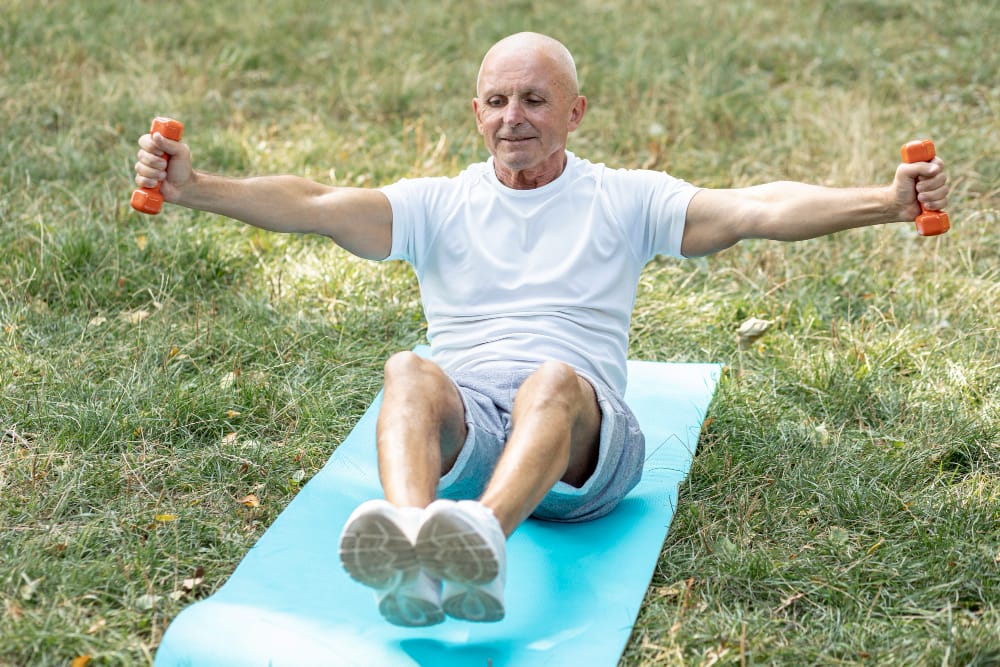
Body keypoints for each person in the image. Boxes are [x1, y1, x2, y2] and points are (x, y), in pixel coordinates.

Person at [133, 32, 949, 627]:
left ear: (575, 111)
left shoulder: (624, 198)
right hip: (475, 434)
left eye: (533, 100)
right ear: (476, 112)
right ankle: (418, 546)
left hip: (583, 444)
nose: (513, 117)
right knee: (407, 369)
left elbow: (754, 209)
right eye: (497, 101)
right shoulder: (439, 202)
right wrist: (197, 186)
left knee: (552, 379)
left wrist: (884, 201)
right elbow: (312, 204)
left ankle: (480, 537)